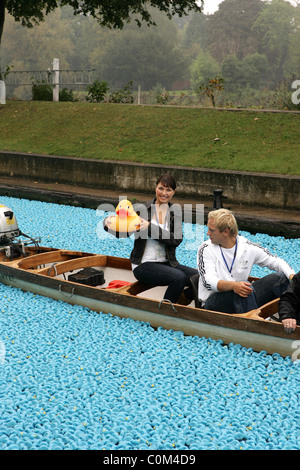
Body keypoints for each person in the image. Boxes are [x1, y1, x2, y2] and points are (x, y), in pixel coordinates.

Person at [104, 174, 197, 304]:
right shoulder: (141, 210)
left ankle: (181, 301)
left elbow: (175, 240)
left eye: (168, 190)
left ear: (173, 193)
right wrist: (107, 223)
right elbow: (122, 233)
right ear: (155, 188)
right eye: (161, 188)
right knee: (179, 277)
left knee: (198, 277)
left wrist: (149, 227)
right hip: (143, 264)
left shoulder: (175, 213)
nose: (164, 193)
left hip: (167, 263)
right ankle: (164, 311)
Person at [197, 208, 295, 314]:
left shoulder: (247, 246)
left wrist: (293, 277)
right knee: (243, 289)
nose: (207, 233)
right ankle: (253, 325)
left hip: (244, 295)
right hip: (213, 303)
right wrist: (234, 286)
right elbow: (208, 282)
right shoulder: (205, 248)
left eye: (212, 230)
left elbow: (277, 262)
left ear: (226, 231)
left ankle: (292, 319)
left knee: (280, 278)